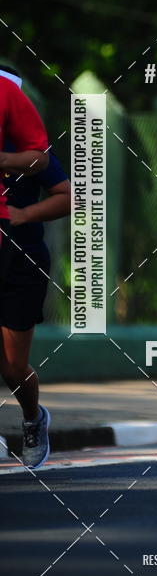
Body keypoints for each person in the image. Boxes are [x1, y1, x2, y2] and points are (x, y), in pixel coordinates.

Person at [0, 68, 50, 466]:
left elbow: (70, 196)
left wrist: (25, 214)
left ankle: (33, 417)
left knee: (13, 363)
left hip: (21, 255)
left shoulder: (29, 150)